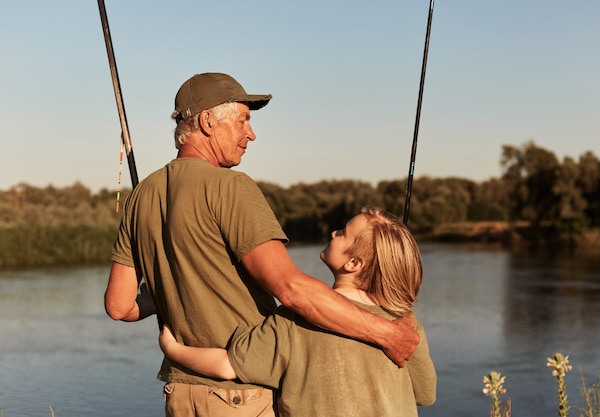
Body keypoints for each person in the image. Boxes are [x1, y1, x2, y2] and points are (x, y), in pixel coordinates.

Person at [104, 72, 420, 417]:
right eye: (243, 121)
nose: (250, 134)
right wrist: (387, 334)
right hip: (241, 395)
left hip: (179, 394)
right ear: (208, 121)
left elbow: (120, 307)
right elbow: (290, 289)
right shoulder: (230, 187)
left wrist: (162, 293)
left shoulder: (140, 196)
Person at [159, 206, 437, 417]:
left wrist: (173, 350)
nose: (333, 232)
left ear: (354, 262)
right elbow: (425, 395)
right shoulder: (406, 326)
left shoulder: (295, 320)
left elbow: (227, 365)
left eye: (342, 233)